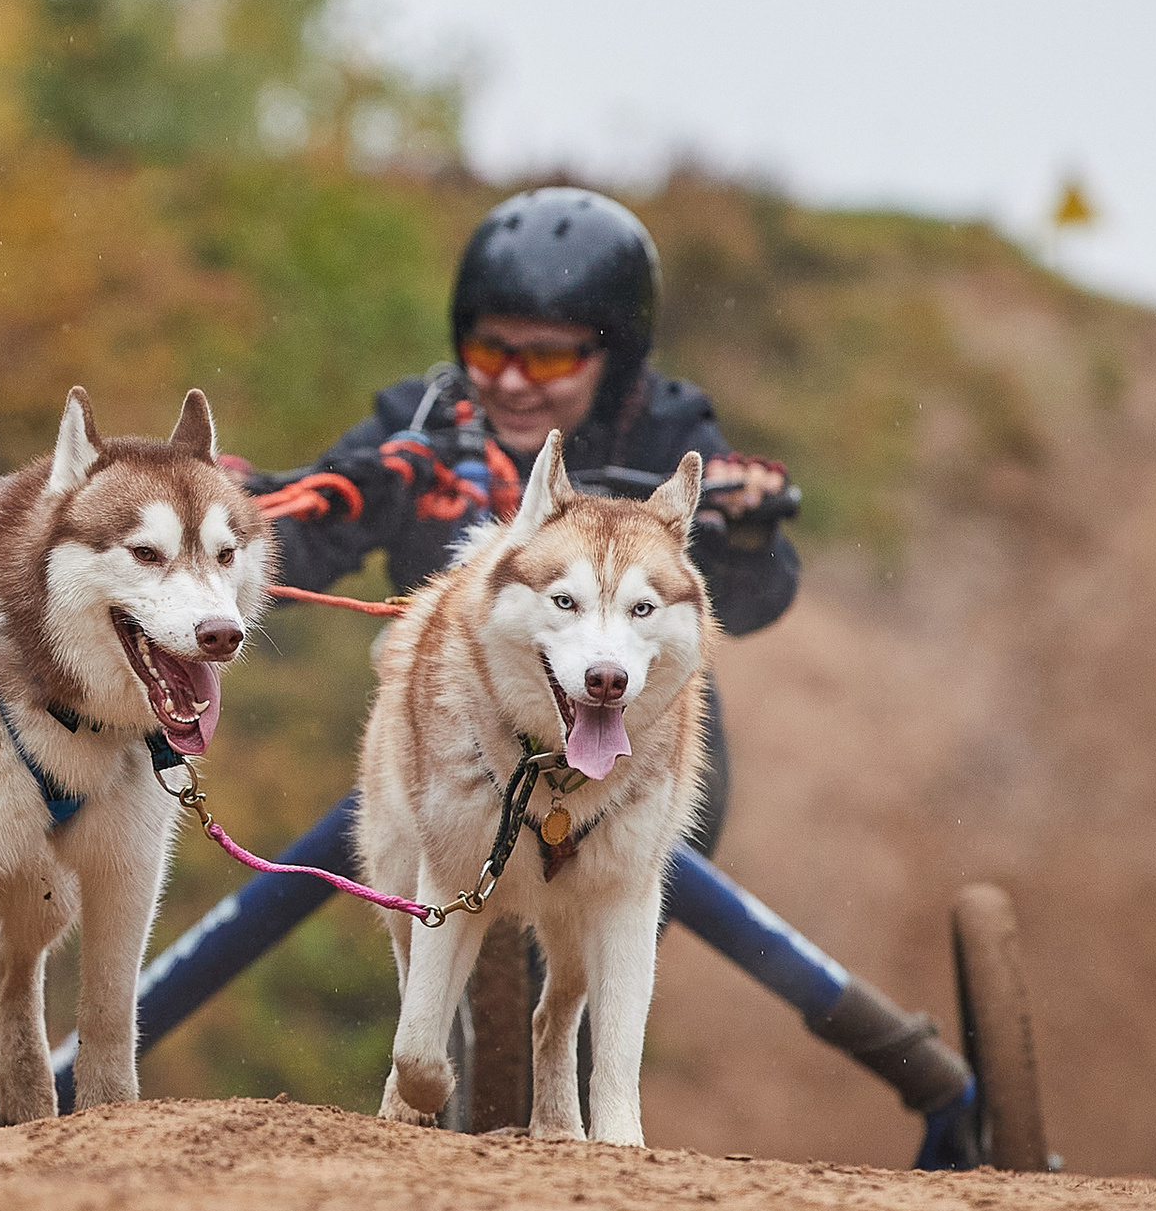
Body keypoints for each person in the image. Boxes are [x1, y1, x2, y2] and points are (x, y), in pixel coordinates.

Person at [241, 186, 800, 857]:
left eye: (546, 358)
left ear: (613, 357)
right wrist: (218, 530)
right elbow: (302, 541)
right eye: (488, 352)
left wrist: (744, 537)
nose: (509, 382)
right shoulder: (418, 428)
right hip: (453, 738)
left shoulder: (667, 439)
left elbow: (748, 604)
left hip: (627, 757)